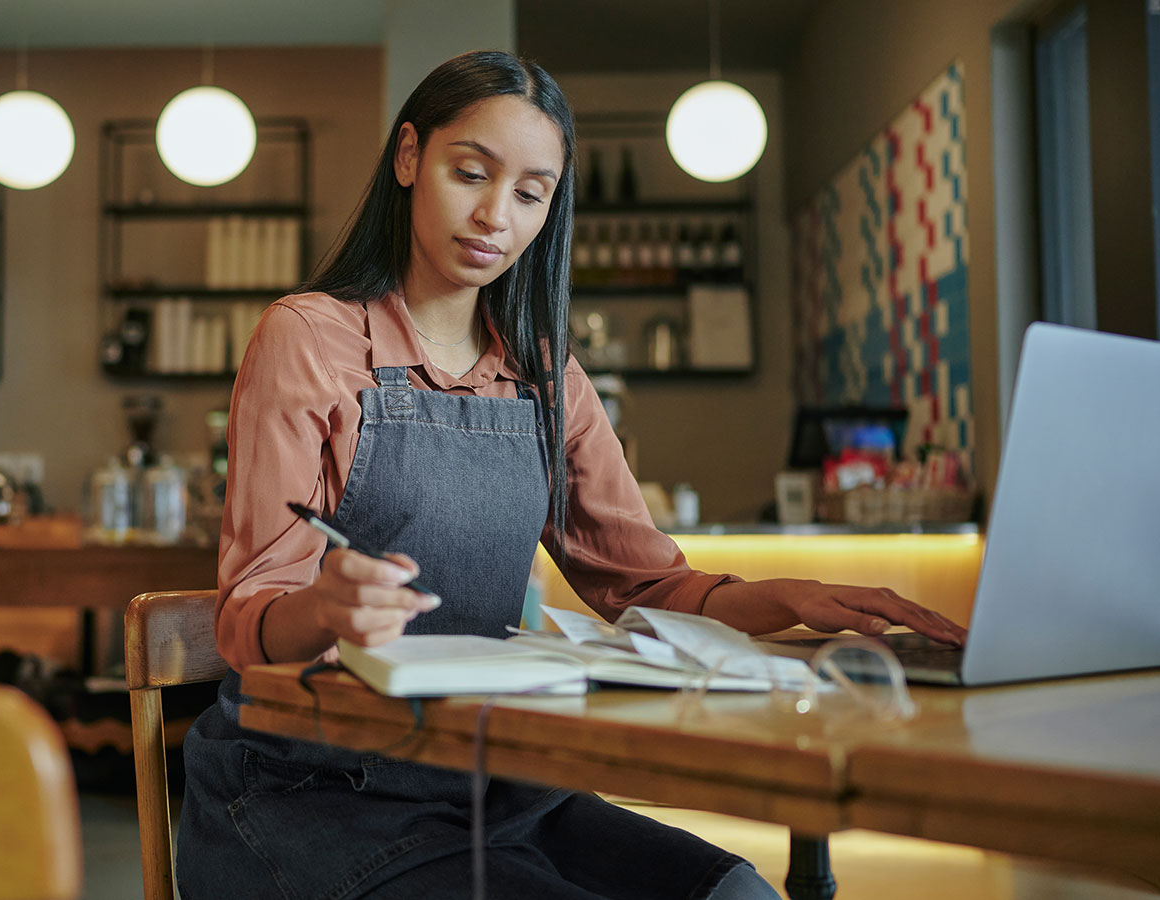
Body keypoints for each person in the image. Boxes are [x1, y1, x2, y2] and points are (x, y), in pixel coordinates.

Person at [176, 50, 967, 900]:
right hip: (312, 788)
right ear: (409, 158)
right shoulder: (310, 338)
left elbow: (645, 585)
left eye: (530, 193)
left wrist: (789, 602)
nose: (494, 216)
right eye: (469, 173)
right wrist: (322, 610)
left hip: (488, 774)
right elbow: (246, 618)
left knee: (737, 890)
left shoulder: (547, 377)